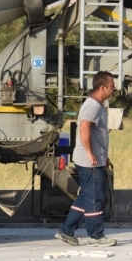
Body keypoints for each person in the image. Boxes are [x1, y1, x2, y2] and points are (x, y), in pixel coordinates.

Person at [56, 71, 117, 247]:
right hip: (90, 161)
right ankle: (96, 236)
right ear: (102, 87)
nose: (113, 90)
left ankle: (66, 231)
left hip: (92, 159)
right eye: (111, 86)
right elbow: (84, 129)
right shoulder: (93, 106)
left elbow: (96, 135)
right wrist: (91, 154)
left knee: (85, 197)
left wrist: (104, 156)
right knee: (95, 198)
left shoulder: (94, 105)